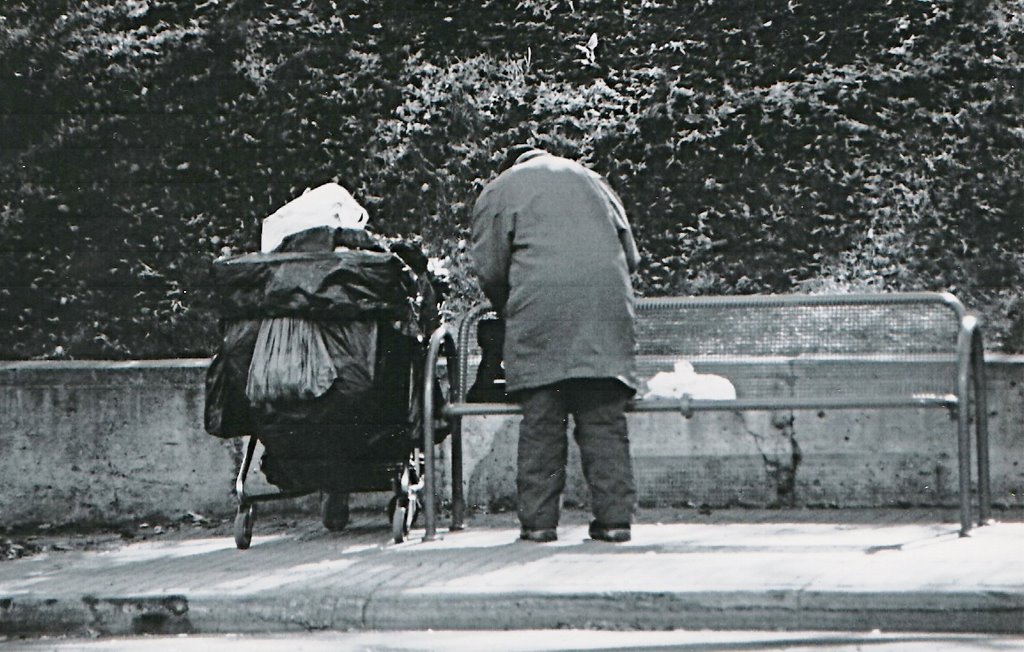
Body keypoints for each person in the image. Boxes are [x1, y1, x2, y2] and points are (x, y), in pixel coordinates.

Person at [470, 145, 641, 543]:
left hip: (540, 314)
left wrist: (508, 306)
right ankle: (615, 522)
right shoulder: (594, 181)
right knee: (604, 420)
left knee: (542, 422)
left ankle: (539, 525)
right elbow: (630, 258)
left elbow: (491, 269)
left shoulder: (500, 190)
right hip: (605, 314)